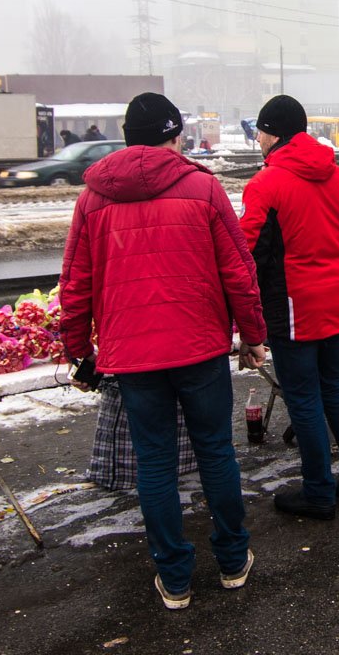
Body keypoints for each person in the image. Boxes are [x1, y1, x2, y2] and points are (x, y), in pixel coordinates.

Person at [59, 91, 267, 611]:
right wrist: (253, 336)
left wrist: (77, 349)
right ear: (174, 137)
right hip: (199, 347)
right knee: (216, 450)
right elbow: (239, 272)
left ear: (128, 138)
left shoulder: (92, 198)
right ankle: (232, 560)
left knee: (154, 463)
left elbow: (76, 282)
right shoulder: (201, 187)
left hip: (131, 355)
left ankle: (174, 579)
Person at [240, 94, 339, 520]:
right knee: (333, 384)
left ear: (274, 133)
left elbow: (247, 252)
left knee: (303, 397)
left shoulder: (266, 184)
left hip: (294, 307)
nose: (257, 140)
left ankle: (318, 491)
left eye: (260, 131)